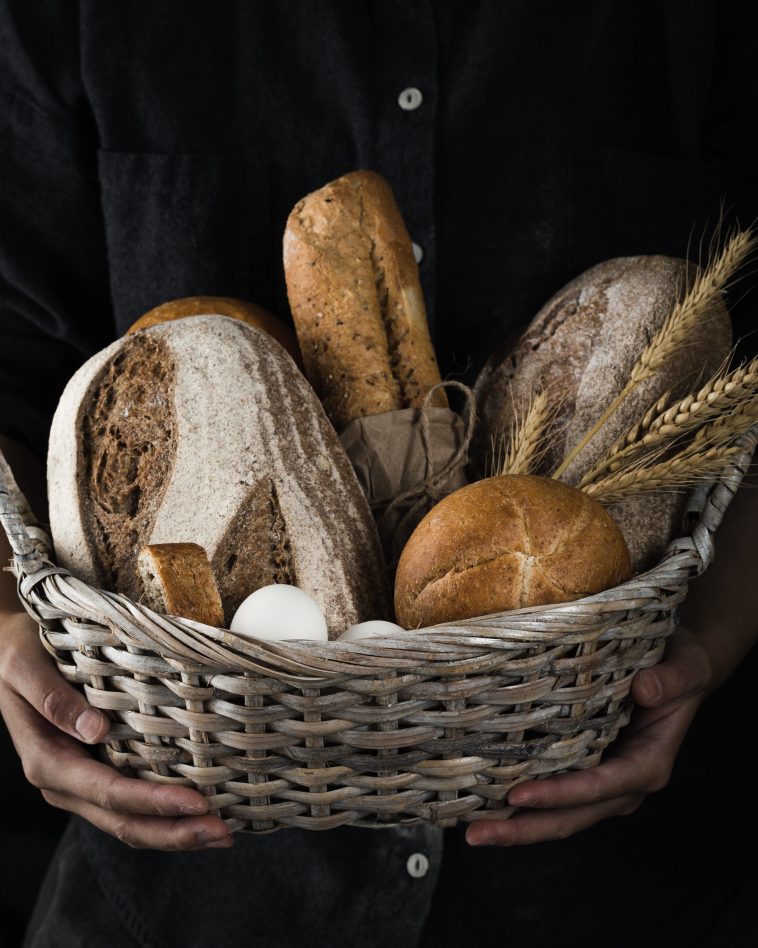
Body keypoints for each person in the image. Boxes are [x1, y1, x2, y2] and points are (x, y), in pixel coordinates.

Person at [1, 3, 757, 947]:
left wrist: (712, 642)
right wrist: (5, 636)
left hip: (616, 889)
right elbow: (14, 380)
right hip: (179, 892)